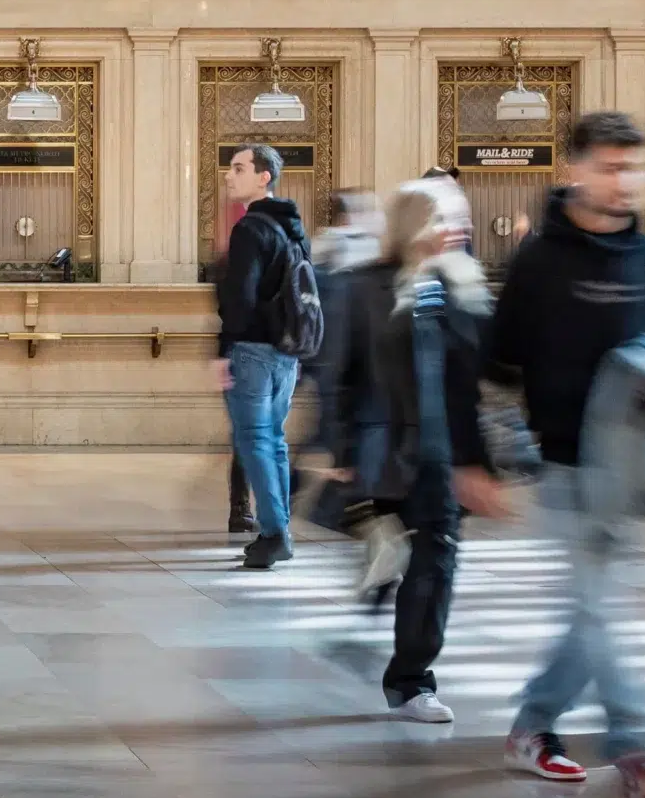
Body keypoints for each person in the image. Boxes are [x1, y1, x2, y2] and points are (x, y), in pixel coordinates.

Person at [487, 112, 645, 798]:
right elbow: (496, 362)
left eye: (632, 166)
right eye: (609, 166)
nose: (623, 180)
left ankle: (531, 722)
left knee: (587, 611)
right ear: (573, 170)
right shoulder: (540, 261)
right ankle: (638, 744)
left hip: (630, 466)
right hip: (566, 466)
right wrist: (481, 460)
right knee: (600, 607)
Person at [335, 178, 505, 722]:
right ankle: (375, 606)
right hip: (383, 446)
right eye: (445, 219)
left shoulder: (463, 288)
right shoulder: (364, 287)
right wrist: (340, 448)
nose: (457, 230)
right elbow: (340, 371)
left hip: (440, 451)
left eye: (461, 219)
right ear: (416, 225)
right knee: (396, 551)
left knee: (436, 562)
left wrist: (480, 462)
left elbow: (484, 376)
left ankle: (411, 681)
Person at [215, 143, 309, 570]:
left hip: (252, 352)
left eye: (238, 168)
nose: (229, 176)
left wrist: (223, 351)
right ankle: (280, 527)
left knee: (255, 442)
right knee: (274, 443)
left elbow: (239, 298)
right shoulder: (292, 227)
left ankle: (274, 534)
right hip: (287, 355)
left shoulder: (250, 228)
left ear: (263, 176)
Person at [312, 188, 399, 604]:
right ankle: (381, 558)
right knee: (373, 489)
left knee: (351, 492)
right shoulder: (394, 270)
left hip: (360, 399)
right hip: (389, 403)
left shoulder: (329, 258)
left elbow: (335, 353)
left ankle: (381, 552)